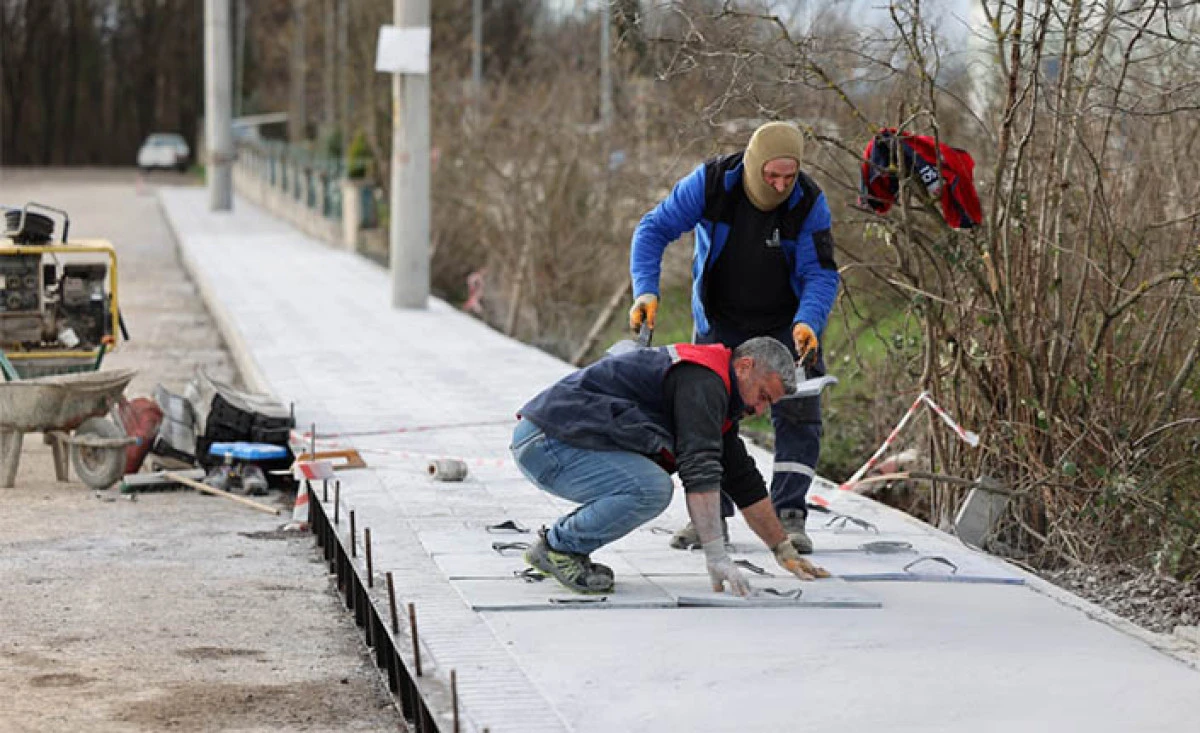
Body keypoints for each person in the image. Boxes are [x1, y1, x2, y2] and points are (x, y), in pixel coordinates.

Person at [628, 121, 840, 554]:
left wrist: (808, 322)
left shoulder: (808, 202)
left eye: (788, 176)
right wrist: (645, 290)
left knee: (799, 410)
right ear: (753, 164)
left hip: (787, 321)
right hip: (719, 319)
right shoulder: (712, 184)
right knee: (707, 414)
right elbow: (652, 230)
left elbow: (820, 272)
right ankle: (710, 516)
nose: (780, 185)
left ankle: (790, 515)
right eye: (771, 175)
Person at [510, 337, 830, 595]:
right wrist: (716, 556)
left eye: (768, 404)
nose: (759, 410)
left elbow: (743, 480)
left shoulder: (714, 393)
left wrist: (782, 548)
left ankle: (564, 547)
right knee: (650, 489)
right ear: (745, 366)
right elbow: (699, 469)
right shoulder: (703, 381)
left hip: (553, 440)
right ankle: (559, 547)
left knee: (650, 484)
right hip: (546, 443)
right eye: (763, 395)